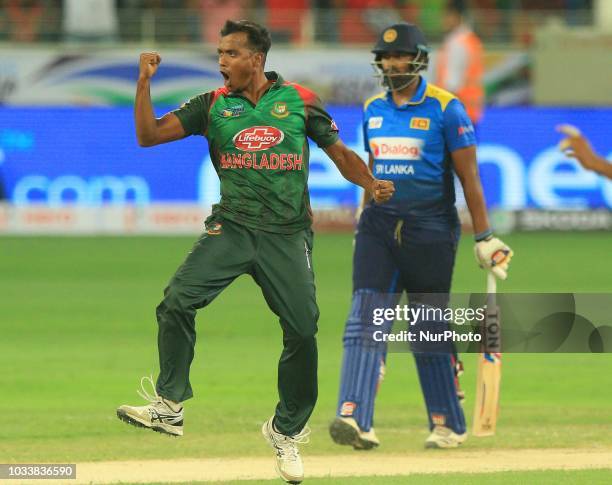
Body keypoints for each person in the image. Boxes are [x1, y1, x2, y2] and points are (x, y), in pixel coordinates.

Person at [115, 19, 394, 485]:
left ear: (256, 59)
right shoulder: (212, 106)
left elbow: (339, 153)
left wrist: (370, 183)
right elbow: (148, 135)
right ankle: (168, 406)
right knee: (177, 299)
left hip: (287, 235)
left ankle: (286, 430)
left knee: (303, 330)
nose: (221, 61)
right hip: (233, 228)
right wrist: (143, 84)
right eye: (219, 53)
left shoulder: (299, 102)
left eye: (230, 53)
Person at [328, 22, 513, 451]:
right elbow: (370, 173)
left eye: (400, 57)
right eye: (386, 58)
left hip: (430, 228)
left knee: (426, 328)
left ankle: (448, 423)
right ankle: (355, 418)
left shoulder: (447, 109)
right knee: (365, 318)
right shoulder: (373, 108)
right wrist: (361, 220)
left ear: (419, 60)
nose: (393, 64)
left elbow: (470, 178)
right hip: (377, 225)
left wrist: (484, 236)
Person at [434, 0, 484, 128]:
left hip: (455, 112)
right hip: (471, 111)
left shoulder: (456, 43)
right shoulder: (472, 40)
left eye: (446, 15)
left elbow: (451, 83)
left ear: (456, 16)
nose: (443, 20)